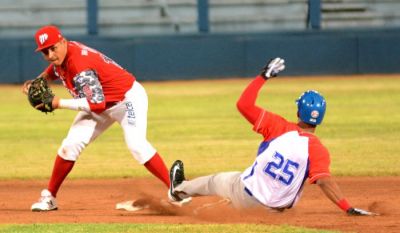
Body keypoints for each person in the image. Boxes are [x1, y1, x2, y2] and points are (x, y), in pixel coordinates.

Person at [168, 57, 376, 215]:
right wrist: (348, 208)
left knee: (216, 181)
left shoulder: (278, 127)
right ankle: (214, 209)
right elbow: (325, 182)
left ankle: (178, 190)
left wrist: (263, 76)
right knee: (236, 203)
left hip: (245, 193)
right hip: (273, 212)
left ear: (298, 112)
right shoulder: (319, 150)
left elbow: (243, 105)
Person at [23, 25, 184, 211]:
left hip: (126, 99)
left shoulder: (80, 65)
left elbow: (97, 104)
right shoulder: (64, 54)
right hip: (100, 102)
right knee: (70, 145)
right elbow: (55, 69)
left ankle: (178, 190)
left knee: (137, 144)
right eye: (45, 51)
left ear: (63, 42)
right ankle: (49, 197)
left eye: (53, 48)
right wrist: (39, 80)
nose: (50, 54)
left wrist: (58, 103)